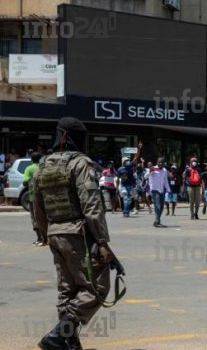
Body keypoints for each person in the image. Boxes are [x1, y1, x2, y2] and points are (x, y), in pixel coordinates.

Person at [32, 117, 116, 350]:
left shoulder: (44, 165)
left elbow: (36, 206)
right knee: (97, 287)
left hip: (54, 233)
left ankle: (69, 342)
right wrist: (102, 242)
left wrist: (45, 233)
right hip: (77, 233)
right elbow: (91, 204)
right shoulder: (80, 164)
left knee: (67, 290)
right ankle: (59, 335)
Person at [23, 151, 47, 246]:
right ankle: (46, 237)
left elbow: (25, 181)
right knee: (45, 217)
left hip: (33, 197)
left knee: (35, 218)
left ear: (31, 159)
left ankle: (40, 238)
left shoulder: (29, 168)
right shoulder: (43, 167)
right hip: (45, 196)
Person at [148, 157, 170, 228]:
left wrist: (169, 190)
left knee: (161, 207)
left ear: (163, 163)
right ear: (157, 162)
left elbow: (166, 181)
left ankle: (156, 221)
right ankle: (158, 221)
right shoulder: (153, 168)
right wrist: (150, 171)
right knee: (157, 206)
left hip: (162, 190)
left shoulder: (164, 170)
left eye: (161, 162)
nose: (160, 163)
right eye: (159, 162)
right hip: (155, 190)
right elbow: (145, 176)